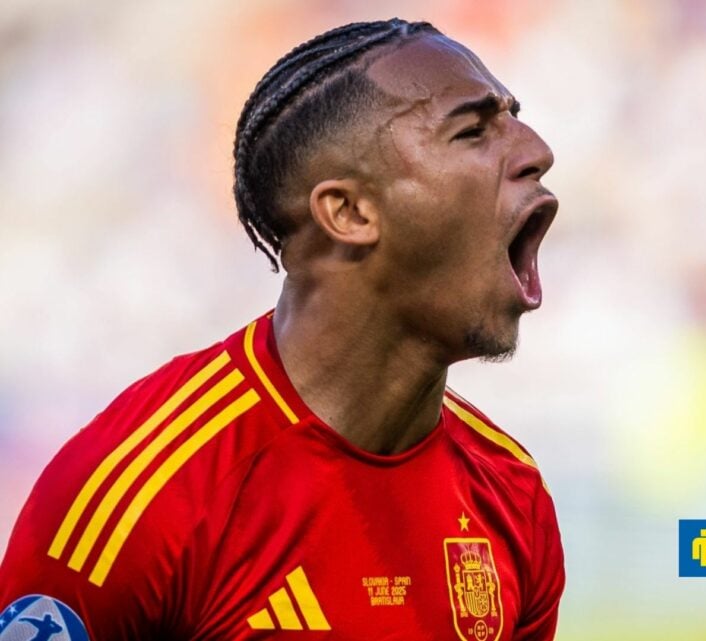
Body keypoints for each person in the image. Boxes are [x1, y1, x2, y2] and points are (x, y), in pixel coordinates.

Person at [0, 19, 564, 640]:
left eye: (513, 118)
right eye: (473, 131)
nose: (538, 150)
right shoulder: (140, 493)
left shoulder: (512, 494)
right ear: (349, 212)